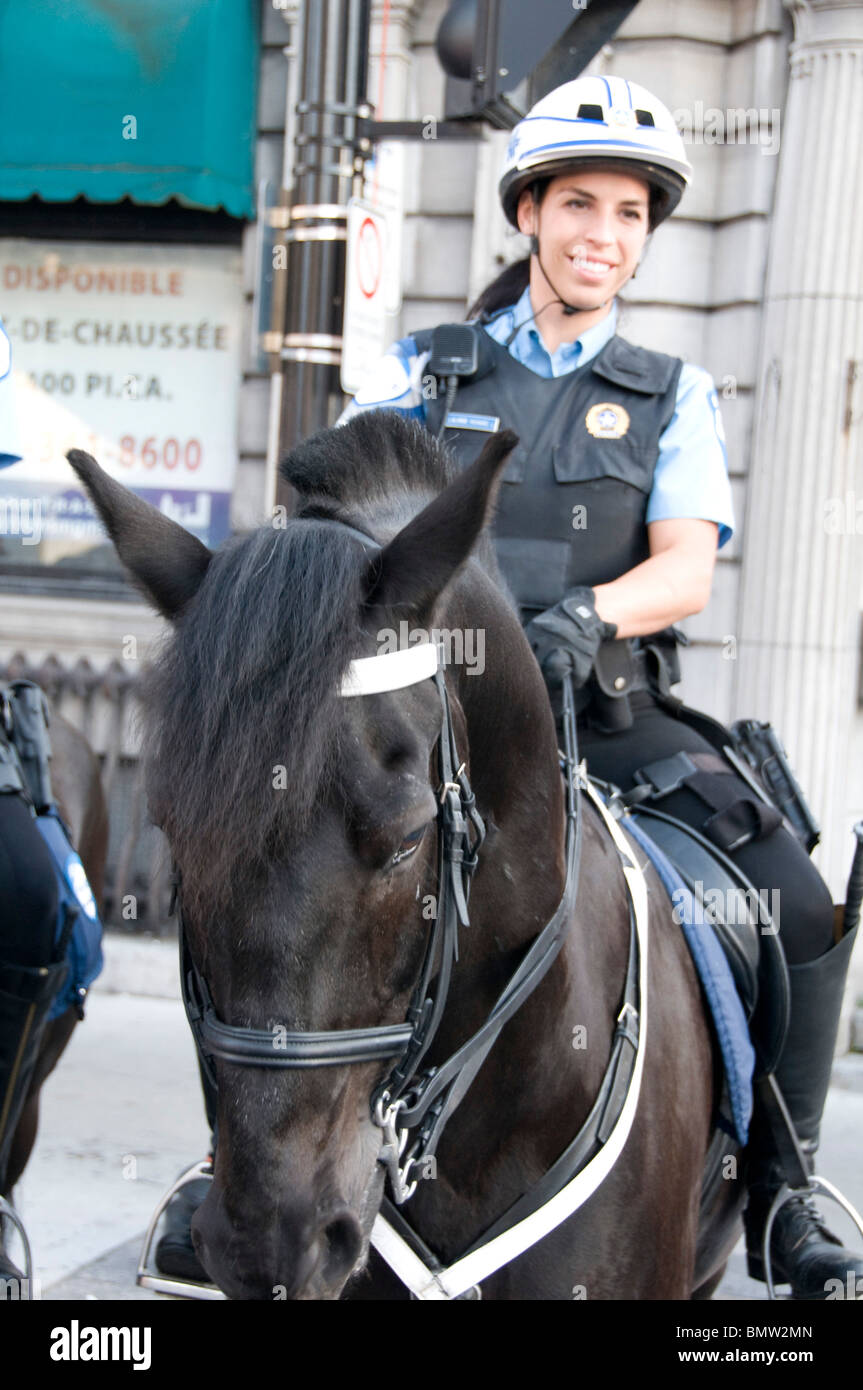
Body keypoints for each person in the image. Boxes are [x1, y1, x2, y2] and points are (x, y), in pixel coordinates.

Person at [336, 74, 862, 1299]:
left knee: (782, 899)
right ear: (526, 211)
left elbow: (685, 566)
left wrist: (588, 613)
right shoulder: (421, 373)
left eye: (629, 214)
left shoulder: (672, 393)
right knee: (279, 860)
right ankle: (230, 1172)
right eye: (578, 204)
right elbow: (341, 527)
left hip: (605, 719)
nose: (602, 236)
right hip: (429, 722)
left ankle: (785, 1188)